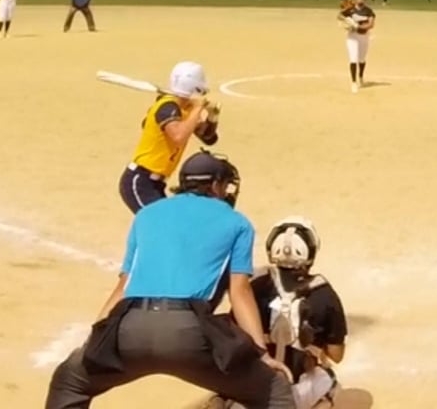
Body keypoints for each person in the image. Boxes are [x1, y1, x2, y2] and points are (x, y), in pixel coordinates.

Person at [44, 151, 296, 409]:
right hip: (188, 335)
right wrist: (261, 353)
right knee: (274, 391)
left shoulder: (147, 215)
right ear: (215, 185)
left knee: (69, 382)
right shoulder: (237, 223)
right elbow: (240, 292)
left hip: (130, 328)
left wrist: (94, 341)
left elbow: (122, 288)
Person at [218, 217, 348, 409]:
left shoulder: (252, 286)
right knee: (330, 382)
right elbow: (336, 355)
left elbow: (233, 336)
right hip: (292, 396)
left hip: (249, 393)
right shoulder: (324, 294)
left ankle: (225, 401)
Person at [120, 62, 220, 214]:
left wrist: (213, 115)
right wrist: (198, 107)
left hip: (156, 184)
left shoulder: (185, 109)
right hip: (140, 180)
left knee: (168, 222)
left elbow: (209, 138)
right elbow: (178, 136)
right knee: (159, 222)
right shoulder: (167, 107)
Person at [338, 0, 375, 92]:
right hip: (352, 37)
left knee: (362, 59)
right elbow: (340, 16)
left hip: (364, 36)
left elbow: (371, 24)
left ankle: (361, 76)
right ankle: (354, 82)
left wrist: (358, 27)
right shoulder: (350, 10)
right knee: (353, 59)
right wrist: (348, 23)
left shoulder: (368, 11)